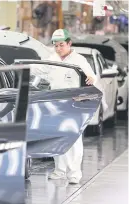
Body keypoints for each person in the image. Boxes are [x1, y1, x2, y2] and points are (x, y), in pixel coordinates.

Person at [46, 29, 107, 184]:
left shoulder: (79, 60)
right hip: (56, 104)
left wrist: (90, 79)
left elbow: (92, 77)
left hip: (74, 104)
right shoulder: (51, 58)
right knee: (57, 138)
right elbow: (40, 72)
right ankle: (59, 171)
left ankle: (74, 174)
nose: (58, 49)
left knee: (74, 139)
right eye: (56, 46)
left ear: (69, 43)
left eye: (61, 45)